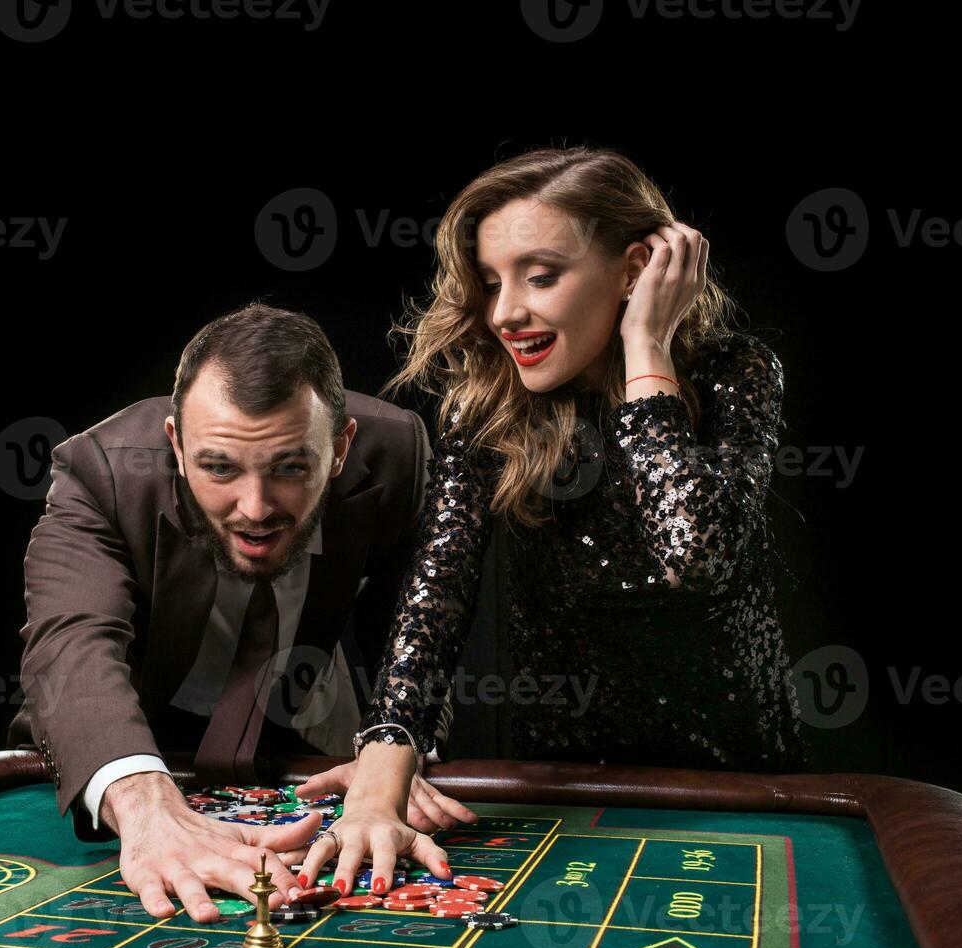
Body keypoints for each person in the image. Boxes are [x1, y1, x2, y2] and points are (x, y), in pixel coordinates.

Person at [294, 147, 808, 897]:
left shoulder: (735, 372)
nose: (505, 311)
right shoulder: (489, 406)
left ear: (635, 270)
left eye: (541, 276)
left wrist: (646, 350)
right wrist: (380, 779)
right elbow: (437, 596)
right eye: (494, 281)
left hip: (735, 786)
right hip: (560, 792)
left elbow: (696, 556)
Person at [6, 302, 472, 923]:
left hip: (308, 748)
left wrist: (395, 754)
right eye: (219, 466)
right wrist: (144, 802)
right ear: (176, 443)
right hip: (138, 749)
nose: (254, 508)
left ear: (340, 447)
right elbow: (71, 644)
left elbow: (417, 631)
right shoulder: (102, 473)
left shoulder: (397, 454)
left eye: (290, 467)